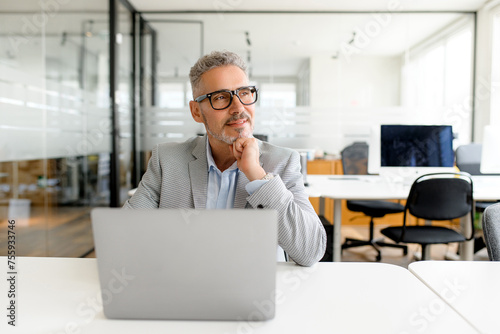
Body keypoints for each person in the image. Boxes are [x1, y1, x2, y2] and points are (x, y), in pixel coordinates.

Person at [124, 50, 326, 266]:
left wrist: (258, 176)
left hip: (253, 291)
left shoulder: (283, 161)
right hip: (182, 286)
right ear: (196, 112)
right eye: (220, 97)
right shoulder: (167, 159)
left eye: (245, 93)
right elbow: (126, 236)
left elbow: (311, 251)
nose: (238, 108)